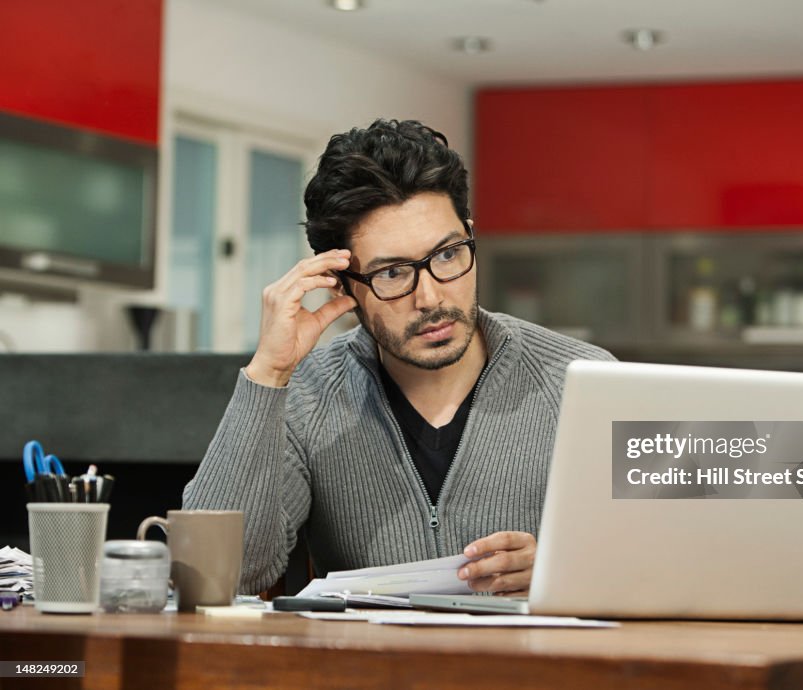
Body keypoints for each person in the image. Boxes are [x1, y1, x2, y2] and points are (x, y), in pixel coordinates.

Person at [183, 119, 614, 596]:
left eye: (448, 255)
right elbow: (212, 574)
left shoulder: (590, 382)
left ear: (470, 236)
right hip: (364, 668)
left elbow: (699, 552)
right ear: (343, 284)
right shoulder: (308, 394)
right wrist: (269, 372)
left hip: (538, 668)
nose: (430, 297)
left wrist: (571, 568)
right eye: (392, 273)